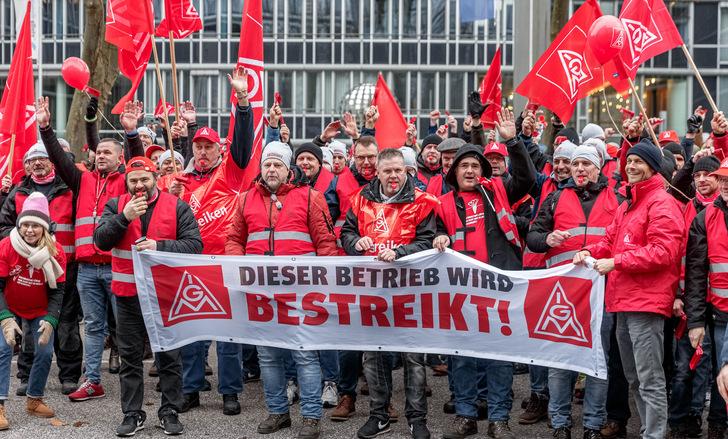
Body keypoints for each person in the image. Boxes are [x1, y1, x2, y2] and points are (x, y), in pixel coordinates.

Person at [434, 108, 535, 439]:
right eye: (463, 165)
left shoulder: (499, 192)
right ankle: (465, 415)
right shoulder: (443, 204)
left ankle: (499, 418)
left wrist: (513, 141)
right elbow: (431, 237)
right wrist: (438, 237)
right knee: (461, 357)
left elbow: (528, 179)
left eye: (475, 165)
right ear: (454, 173)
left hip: (498, 288)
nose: (469, 170)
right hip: (460, 292)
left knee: (499, 357)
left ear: (483, 171)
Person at [574, 139, 685, 439]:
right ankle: (651, 432)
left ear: (652, 167)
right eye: (629, 161)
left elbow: (663, 252)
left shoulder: (662, 203)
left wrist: (616, 262)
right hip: (623, 301)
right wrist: (589, 252)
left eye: (639, 162)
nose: (631, 166)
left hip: (645, 304)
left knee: (649, 379)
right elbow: (609, 242)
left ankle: (654, 435)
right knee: (635, 378)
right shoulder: (629, 205)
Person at [225, 142, 337, 439]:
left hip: (302, 293)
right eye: (267, 165)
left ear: (289, 170)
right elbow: (234, 239)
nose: (271, 169)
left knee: (304, 355)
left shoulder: (311, 197)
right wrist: (240, 268)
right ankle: (278, 412)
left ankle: (311, 416)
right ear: (261, 169)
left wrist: (328, 285)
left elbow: (326, 244)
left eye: (277, 165)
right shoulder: (245, 199)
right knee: (268, 357)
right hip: (261, 293)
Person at [36, 96, 144, 402]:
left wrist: (132, 133)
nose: (100, 155)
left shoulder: (127, 181)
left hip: (118, 267)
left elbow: (140, 166)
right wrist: (45, 127)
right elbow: (58, 157)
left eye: (108, 152)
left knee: (125, 328)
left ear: (120, 159)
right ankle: (92, 380)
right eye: (98, 151)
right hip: (86, 271)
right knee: (94, 327)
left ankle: (130, 380)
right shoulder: (81, 181)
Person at [94, 156, 203, 437]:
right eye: (133, 181)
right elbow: (101, 241)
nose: (139, 185)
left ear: (155, 178)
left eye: (144, 179)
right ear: (126, 183)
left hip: (166, 295)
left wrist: (160, 245)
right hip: (128, 296)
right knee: (130, 358)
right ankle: (132, 413)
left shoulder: (177, 206)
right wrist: (123, 218)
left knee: (169, 357)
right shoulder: (116, 205)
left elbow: (195, 245)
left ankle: (170, 411)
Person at [339, 147, 438, 439]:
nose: (393, 176)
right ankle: (379, 415)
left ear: (407, 171)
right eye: (388, 171)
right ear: (377, 172)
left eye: (399, 170)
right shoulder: (360, 200)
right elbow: (345, 233)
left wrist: (400, 252)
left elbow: (429, 241)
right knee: (373, 356)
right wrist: (354, 242)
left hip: (410, 290)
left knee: (413, 357)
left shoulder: (423, 202)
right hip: (372, 289)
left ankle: (416, 419)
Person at [527, 146, 619, 439]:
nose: (579, 168)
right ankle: (560, 422)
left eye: (586, 164)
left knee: (597, 360)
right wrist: (547, 238)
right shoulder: (554, 198)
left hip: (602, 294)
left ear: (598, 168)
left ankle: (592, 424)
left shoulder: (617, 200)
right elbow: (532, 237)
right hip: (562, 296)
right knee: (561, 360)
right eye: (575, 163)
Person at [0, 143, 81, 396]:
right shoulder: (18, 192)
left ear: (53, 161)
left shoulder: (70, 188)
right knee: (27, 327)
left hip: (63, 266)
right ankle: (27, 376)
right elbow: (4, 226)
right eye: (31, 160)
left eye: (42, 158)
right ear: (25, 166)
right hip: (24, 269)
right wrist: (27, 245)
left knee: (65, 323)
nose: (37, 163)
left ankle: (68, 374)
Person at [0, 193, 66, 428]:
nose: (29, 230)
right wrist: (5, 318)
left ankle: (34, 399)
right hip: (9, 307)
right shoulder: (6, 245)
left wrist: (51, 320)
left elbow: (58, 290)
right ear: (19, 225)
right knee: (3, 349)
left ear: (44, 228)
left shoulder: (56, 250)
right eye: (25, 224)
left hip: (40, 308)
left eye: (35, 225)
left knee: (46, 352)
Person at [682, 155, 728, 439]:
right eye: (722, 179)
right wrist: (696, 321)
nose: (724, 185)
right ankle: (718, 426)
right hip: (720, 315)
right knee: (722, 376)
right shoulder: (705, 217)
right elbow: (695, 274)